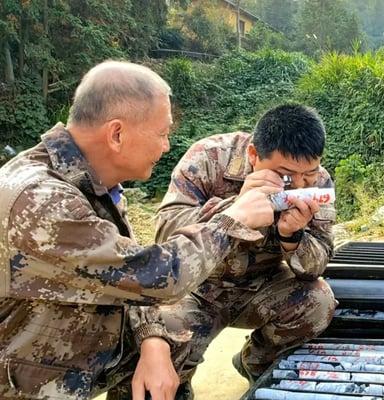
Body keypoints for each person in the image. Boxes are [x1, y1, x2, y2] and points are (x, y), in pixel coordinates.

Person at [0, 60, 280, 400]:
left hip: (64, 348)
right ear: (117, 134)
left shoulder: (89, 183)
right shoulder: (42, 199)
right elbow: (155, 275)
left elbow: (122, 273)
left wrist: (152, 339)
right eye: (162, 134)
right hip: (23, 378)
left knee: (171, 337)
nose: (165, 147)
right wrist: (234, 218)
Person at [149, 102, 337, 392]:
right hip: (199, 289)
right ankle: (178, 386)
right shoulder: (209, 158)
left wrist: (293, 237)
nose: (298, 186)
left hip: (263, 287)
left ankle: (258, 364)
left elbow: (317, 265)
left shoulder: (320, 182)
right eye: (285, 176)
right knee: (157, 337)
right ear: (253, 155)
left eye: (308, 175)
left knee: (318, 302)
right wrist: (233, 210)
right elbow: (166, 234)